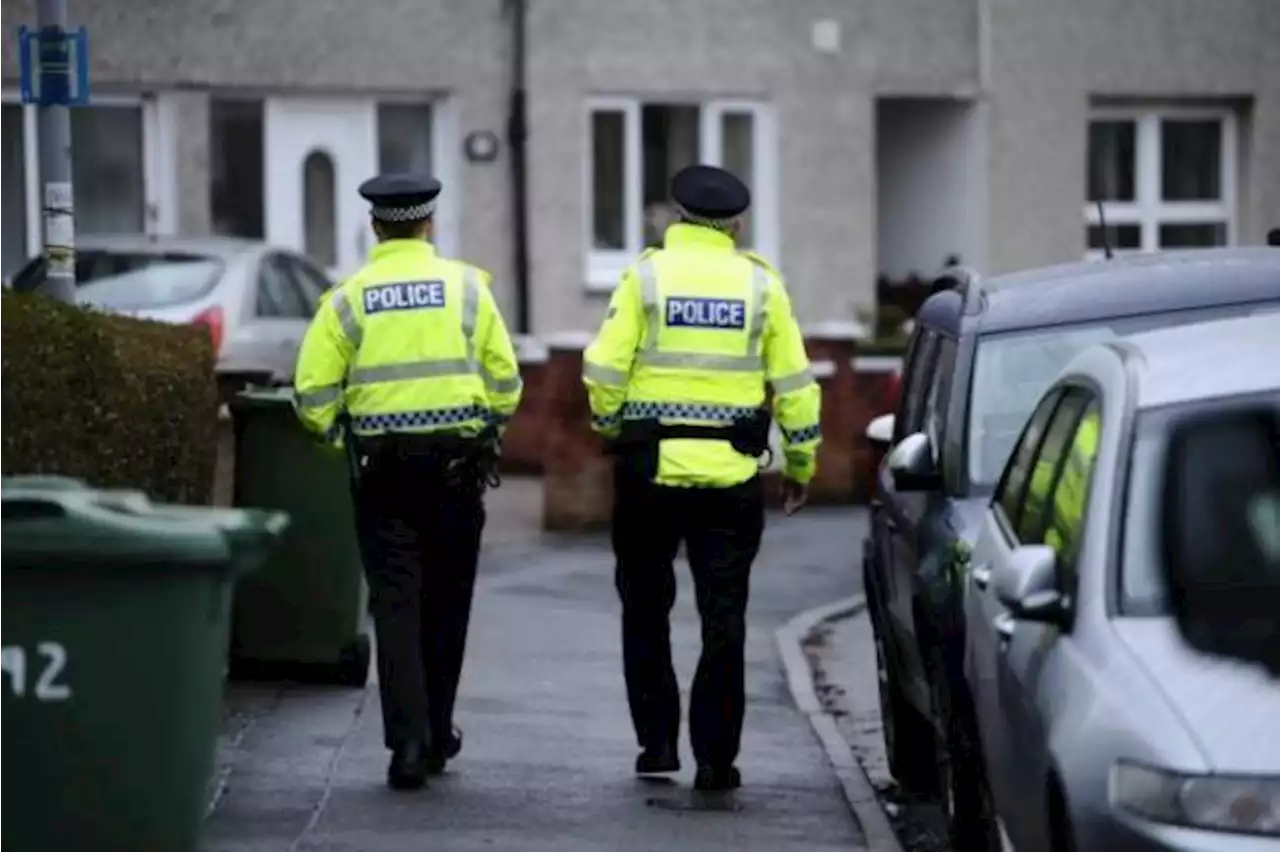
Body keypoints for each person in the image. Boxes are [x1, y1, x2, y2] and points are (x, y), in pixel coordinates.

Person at [582, 164, 822, 792]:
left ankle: (657, 743)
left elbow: (604, 368)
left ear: (677, 217)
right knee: (725, 619)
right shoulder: (762, 287)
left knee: (644, 608)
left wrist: (613, 426)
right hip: (730, 480)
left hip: (648, 475)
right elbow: (796, 386)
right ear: (736, 225)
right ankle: (716, 759)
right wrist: (800, 463)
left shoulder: (646, 277)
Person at [292, 173, 522, 791]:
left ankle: (409, 745)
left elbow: (312, 397)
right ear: (429, 224)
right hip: (455, 470)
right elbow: (505, 380)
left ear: (375, 226)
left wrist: (345, 438)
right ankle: (439, 729)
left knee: (395, 607)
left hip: (382, 473)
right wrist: (486, 428)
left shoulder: (347, 298)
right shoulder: (469, 291)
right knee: (447, 605)